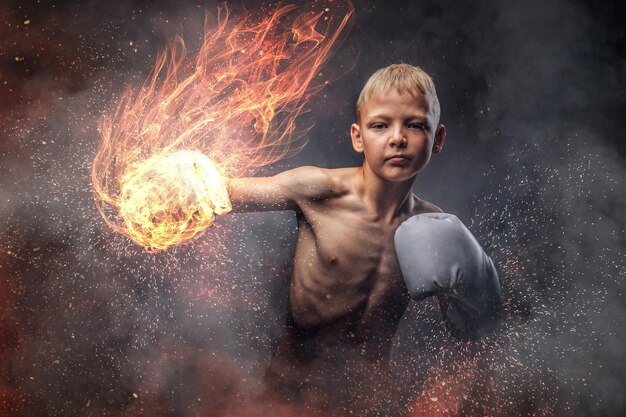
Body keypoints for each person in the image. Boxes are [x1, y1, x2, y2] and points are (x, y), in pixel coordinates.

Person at [226, 64, 501, 414]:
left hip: (368, 404)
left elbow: (470, 329)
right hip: (288, 397)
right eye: (380, 125)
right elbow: (224, 192)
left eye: (415, 125)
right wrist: (177, 181)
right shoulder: (319, 191)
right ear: (358, 137)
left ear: (438, 138)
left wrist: (480, 304)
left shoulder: (434, 228)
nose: (397, 138)